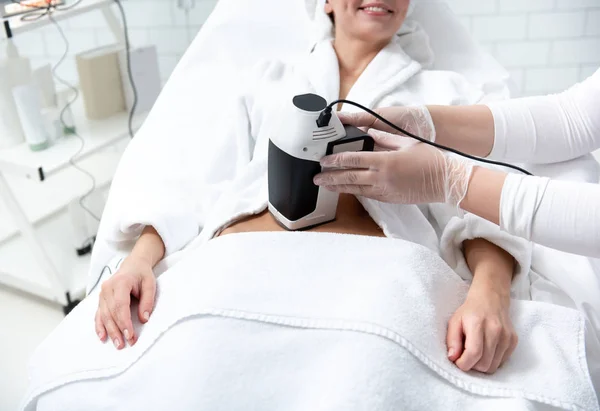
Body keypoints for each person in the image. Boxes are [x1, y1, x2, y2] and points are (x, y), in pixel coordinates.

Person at [94, 0, 528, 375]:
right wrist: (138, 261)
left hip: (371, 282)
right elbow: (198, 181)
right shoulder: (268, 79)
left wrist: (490, 293)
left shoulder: (446, 94)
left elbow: (482, 201)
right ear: (324, 2)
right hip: (237, 266)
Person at [313, 68, 600, 258]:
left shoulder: (448, 83)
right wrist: (426, 123)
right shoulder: (277, 78)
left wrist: (448, 181)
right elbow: (575, 117)